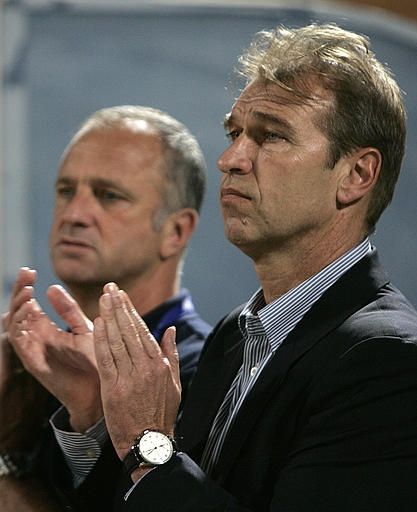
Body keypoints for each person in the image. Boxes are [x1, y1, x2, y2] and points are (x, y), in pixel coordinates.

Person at [10, 22, 417, 511]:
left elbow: (159, 473)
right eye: (235, 133)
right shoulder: (233, 336)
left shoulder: (388, 358)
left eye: (271, 136)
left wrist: (147, 442)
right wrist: (93, 414)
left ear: (356, 175)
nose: (230, 159)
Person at [1, 105, 211, 509]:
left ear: (176, 231)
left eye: (109, 196)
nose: (74, 214)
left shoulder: (201, 375)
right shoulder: (31, 366)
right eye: (66, 191)